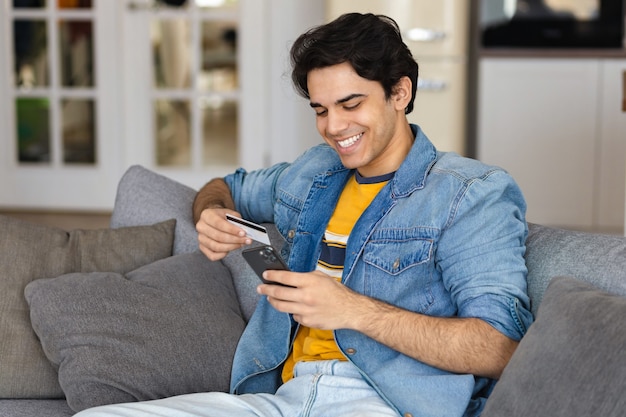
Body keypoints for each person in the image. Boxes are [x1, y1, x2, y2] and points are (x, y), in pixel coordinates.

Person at [75, 12, 533, 417]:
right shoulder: (313, 172)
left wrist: (353, 310)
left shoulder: (469, 193)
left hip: (382, 402)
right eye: (321, 109)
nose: (334, 127)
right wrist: (212, 212)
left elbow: (499, 348)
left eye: (351, 104)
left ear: (399, 92)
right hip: (279, 396)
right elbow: (226, 186)